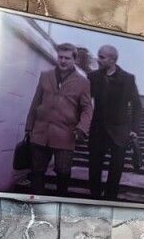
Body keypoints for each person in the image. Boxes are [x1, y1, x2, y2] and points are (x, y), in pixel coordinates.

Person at [25, 43, 93, 196]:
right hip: (41, 132)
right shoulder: (45, 76)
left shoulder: (83, 82)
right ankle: (36, 202)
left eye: (67, 58)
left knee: (63, 173)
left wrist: (82, 128)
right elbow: (36, 102)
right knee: (36, 171)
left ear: (74, 60)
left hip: (65, 135)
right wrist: (29, 127)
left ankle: (59, 201)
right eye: (60, 57)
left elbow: (87, 108)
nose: (63, 61)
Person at [88, 44, 142, 201]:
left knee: (116, 169)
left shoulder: (128, 79)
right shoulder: (92, 77)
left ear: (113, 60)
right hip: (98, 130)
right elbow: (84, 101)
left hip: (120, 131)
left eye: (102, 57)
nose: (98, 59)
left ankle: (110, 199)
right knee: (94, 167)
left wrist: (134, 129)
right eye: (98, 56)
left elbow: (137, 105)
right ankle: (94, 198)